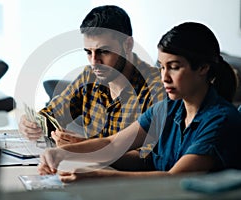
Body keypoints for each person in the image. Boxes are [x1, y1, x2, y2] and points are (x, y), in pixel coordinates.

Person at [38, 22, 241, 183]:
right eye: (162, 67)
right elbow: (114, 143)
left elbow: (175, 178)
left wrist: (98, 177)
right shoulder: (167, 108)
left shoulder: (220, 120)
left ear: (203, 68)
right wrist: (61, 152)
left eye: (174, 67)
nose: (165, 77)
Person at [18, 5, 165, 147]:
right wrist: (31, 124)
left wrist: (88, 148)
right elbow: (52, 114)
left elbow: (151, 157)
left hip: (122, 172)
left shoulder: (158, 88)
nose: (94, 62)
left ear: (127, 45)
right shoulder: (89, 76)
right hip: (89, 168)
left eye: (104, 51)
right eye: (89, 52)